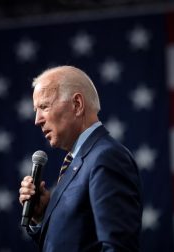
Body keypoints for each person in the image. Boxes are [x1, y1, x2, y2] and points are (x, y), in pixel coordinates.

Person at [19, 66, 142, 252]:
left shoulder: (106, 157)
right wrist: (44, 215)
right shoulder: (79, 160)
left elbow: (118, 248)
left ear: (77, 104)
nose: (37, 120)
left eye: (44, 106)